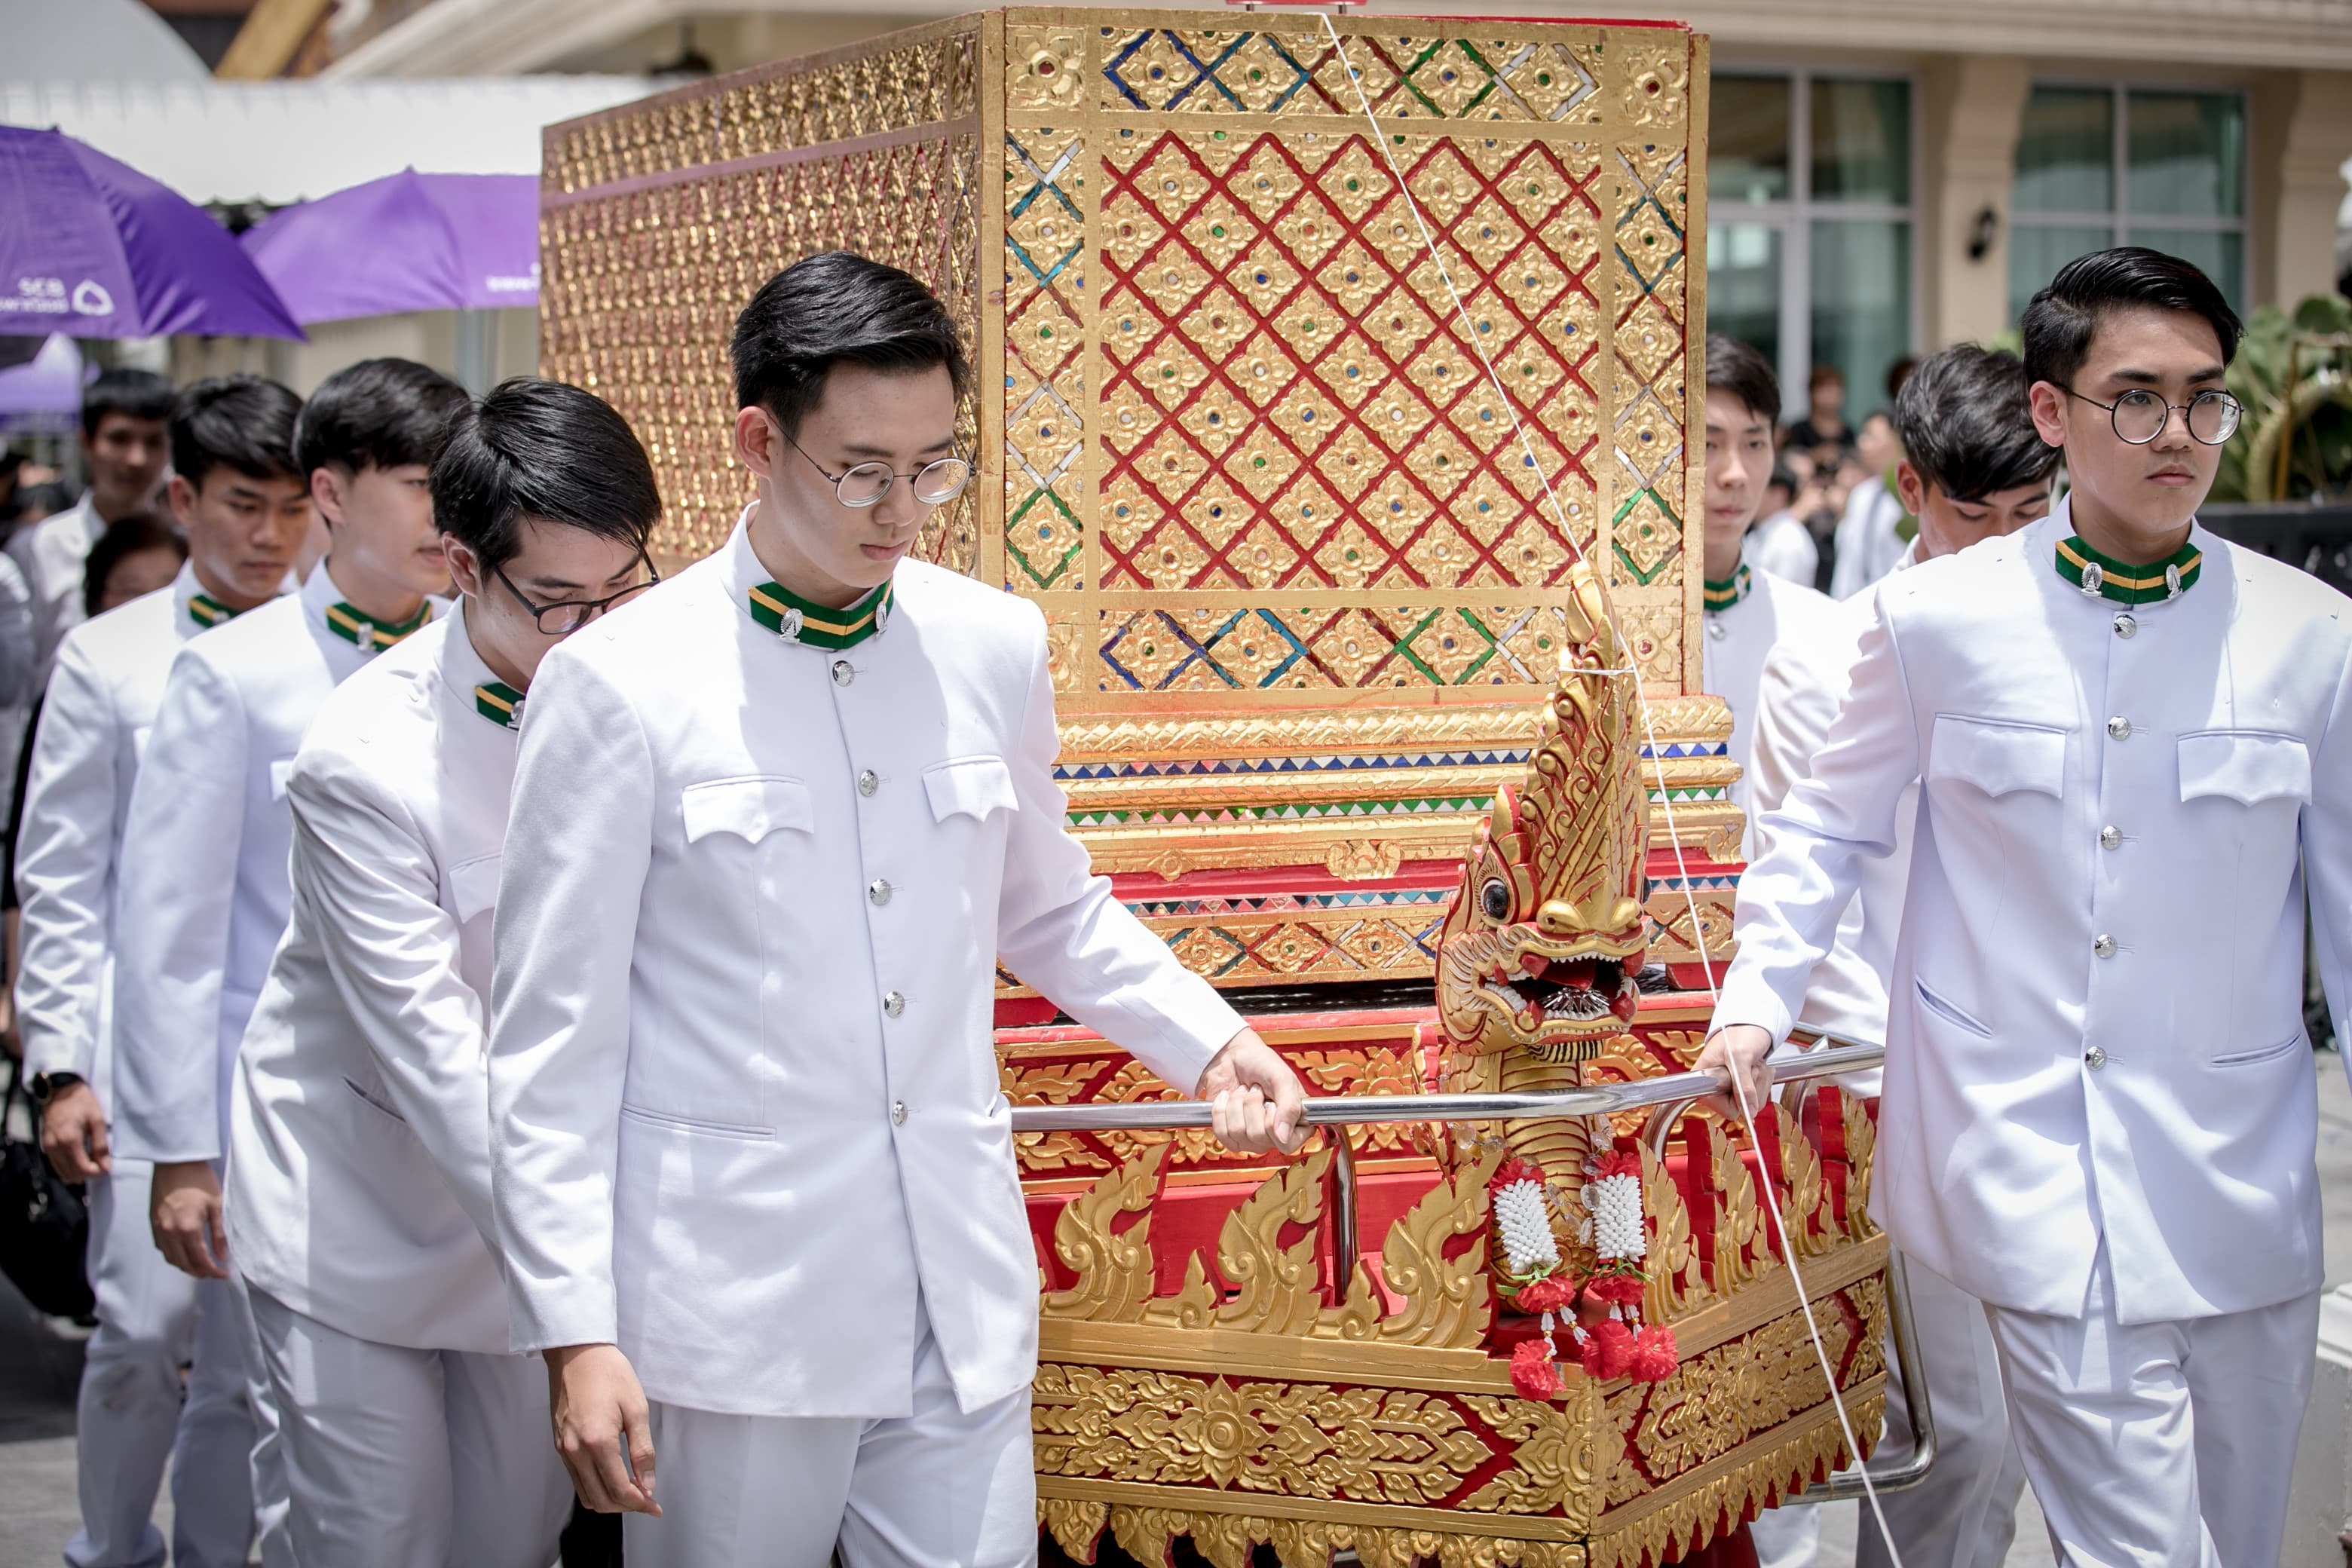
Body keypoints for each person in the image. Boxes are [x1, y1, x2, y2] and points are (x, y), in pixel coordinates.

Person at [484, 251, 1309, 1566]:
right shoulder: (619, 683)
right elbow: (551, 1042)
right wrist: (576, 1332)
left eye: (935, 468)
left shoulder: (990, 641)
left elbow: (1047, 906)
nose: (904, 510)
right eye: (862, 470)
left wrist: (1206, 1038)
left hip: (954, 1282)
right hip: (738, 1306)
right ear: (759, 442)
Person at [1701, 247, 2352, 1566]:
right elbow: (1824, 827)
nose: (2178, 433)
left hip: (2240, 1184)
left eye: (2204, 398)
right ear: (2053, 411)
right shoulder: (1933, 621)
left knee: (2239, 1539)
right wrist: (1757, 1003)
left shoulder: (2311, 635)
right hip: (2029, 1175)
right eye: (2137, 398)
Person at [226, 378, 656, 1567]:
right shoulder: (365, 758)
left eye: (622, 591)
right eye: (556, 602)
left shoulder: (650, 701)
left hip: (526, 1230)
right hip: (357, 1208)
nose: (595, 634)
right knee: (379, 1539)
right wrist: (577, 1303)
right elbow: (440, 1064)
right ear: (462, 567)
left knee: (510, 1538)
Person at [109, 357, 467, 1568]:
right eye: (420, 485)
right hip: (280, 1126)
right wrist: (181, 1150)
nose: (447, 516)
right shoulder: (235, 672)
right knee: (279, 1430)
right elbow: (172, 935)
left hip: (439, 1127)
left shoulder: (479, 658)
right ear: (331, 491)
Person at [1740, 344, 2059, 1568]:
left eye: (2031, 514)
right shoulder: (1832, 657)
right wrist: (1912, 1069)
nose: (2005, 548)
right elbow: (1809, 890)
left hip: (2061, 1085)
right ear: (1912, 490)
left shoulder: (2086, 641)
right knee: (1960, 1432)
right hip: (1911, 1091)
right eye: (1976, 517)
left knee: (2036, 1433)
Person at [17, 375, 310, 1568]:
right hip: (144, 1056)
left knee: (246, 1367)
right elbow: (64, 878)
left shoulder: (340, 651)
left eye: (294, 507)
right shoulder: (109, 656)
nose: (271, 536)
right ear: (184, 502)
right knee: (139, 1334)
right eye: (245, 504)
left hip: (286, 1066)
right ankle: (109, 1547)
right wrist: (61, 1066)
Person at [1697, 334, 1833, 839]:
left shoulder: (1820, 626)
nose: (1734, 474)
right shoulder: (1604, 635)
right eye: (1707, 444)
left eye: (1754, 444)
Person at [12, 369, 173, 688]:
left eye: (154, 442)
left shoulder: (188, 547)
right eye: (119, 439)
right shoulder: (39, 548)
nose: (137, 459)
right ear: (87, 442)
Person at [1827, 409, 1909, 600]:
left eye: (1871, 436)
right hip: (1853, 604)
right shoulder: (1862, 495)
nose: (1862, 443)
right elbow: (1848, 563)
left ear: (1896, 440)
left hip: (1894, 603)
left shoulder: (1909, 496)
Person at [1744, 464, 1819, 587]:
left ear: (1779, 494)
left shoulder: (1788, 541)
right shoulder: (1758, 534)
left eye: (1757, 488)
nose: (1747, 496)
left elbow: (1782, 594)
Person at [1781, 363, 1851, 455]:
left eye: (1835, 391)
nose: (1830, 397)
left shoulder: (1848, 433)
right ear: (1812, 393)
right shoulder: (1798, 431)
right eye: (1825, 390)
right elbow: (1788, 458)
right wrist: (1815, 455)